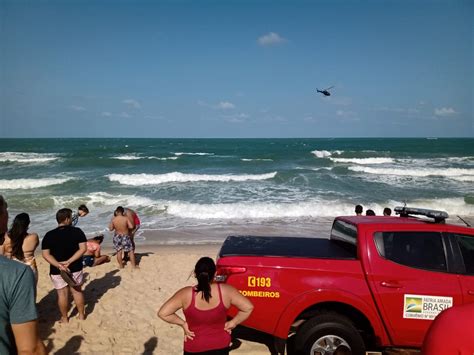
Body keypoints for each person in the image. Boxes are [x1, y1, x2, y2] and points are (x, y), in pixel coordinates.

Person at [158, 257, 254, 355]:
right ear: (215, 274)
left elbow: (163, 313)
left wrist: (183, 323)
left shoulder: (185, 294)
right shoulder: (226, 291)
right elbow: (248, 307)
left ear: (195, 274)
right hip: (220, 345)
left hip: (195, 346)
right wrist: (233, 322)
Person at [0, 195, 46, 354]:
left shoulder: (8, 238)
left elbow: (4, 253)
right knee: (26, 297)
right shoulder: (32, 236)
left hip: (12, 262)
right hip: (27, 265)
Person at [42, 208, 87, 323]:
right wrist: (69, 261)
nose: (72, 219)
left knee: (62, 294)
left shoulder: (49, 235)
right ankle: (81, 315)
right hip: (75, 267)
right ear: (67, 219)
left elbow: (45, 255)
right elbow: (83, 249)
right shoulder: (77, 231)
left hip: (57, 269)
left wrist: (59, 265)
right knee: (77, 291)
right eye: (71, 217)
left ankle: (65, 318)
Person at [1, 213, 40, 286]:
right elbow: (36, 245)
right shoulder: (33, 237)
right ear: (28, 224)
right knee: (30, 293)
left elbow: (1, 254)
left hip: (13, 268)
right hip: (30, 267)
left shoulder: (5, 238)